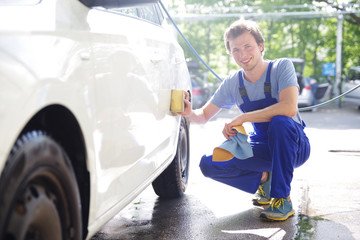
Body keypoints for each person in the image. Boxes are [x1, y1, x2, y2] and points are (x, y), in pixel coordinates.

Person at [179, 19, 311, 222]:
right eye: (235, 50)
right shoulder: (233, 82)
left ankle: (281, 199)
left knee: (280, 122)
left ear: (260, 46)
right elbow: (203, 115)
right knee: (209, 163)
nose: (242, 55)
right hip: (262, 148)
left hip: (294, 146)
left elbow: (288, 107)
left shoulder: (281, 67)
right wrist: (187, 112)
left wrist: (243, 117)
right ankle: (264, 178)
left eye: (248, 46)